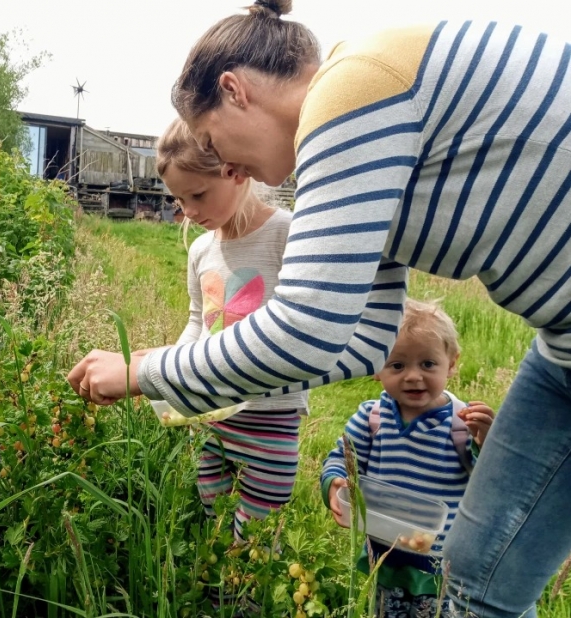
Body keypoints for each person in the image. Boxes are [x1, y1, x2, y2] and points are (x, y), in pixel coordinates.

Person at [67, 1, 571, 616]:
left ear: (235, 90)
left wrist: (143, 374)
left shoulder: (349, 93)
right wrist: (170, 364)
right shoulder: (360, 140)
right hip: (561, 351)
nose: (227, 166)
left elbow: (302, 328)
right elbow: (363, 340)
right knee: (476, 576)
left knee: (478, 582)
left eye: (212, 141)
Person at [151, 116, 310, 612]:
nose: (188, 211)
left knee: (256, 532)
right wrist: (168, 373)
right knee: (214, 514)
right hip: (211, 416)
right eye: (179, 200)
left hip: (271, 417)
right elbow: (197, 322)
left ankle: (249, 603)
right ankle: (216, 596)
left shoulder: (286, 234)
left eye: (197, 195)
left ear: (236, 172)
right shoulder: (201, 249)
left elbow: (303, 323)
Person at [322, 299, 495, 617]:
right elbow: (341, 458)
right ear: (376, 369)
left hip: (439, 569)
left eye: (428, 364)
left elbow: (489, 480)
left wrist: (484, 442)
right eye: (397, 365)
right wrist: (335, 483)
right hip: (383, 559)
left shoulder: (461, 423)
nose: (413, 376)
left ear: (452, 364)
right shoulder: (372, 418)